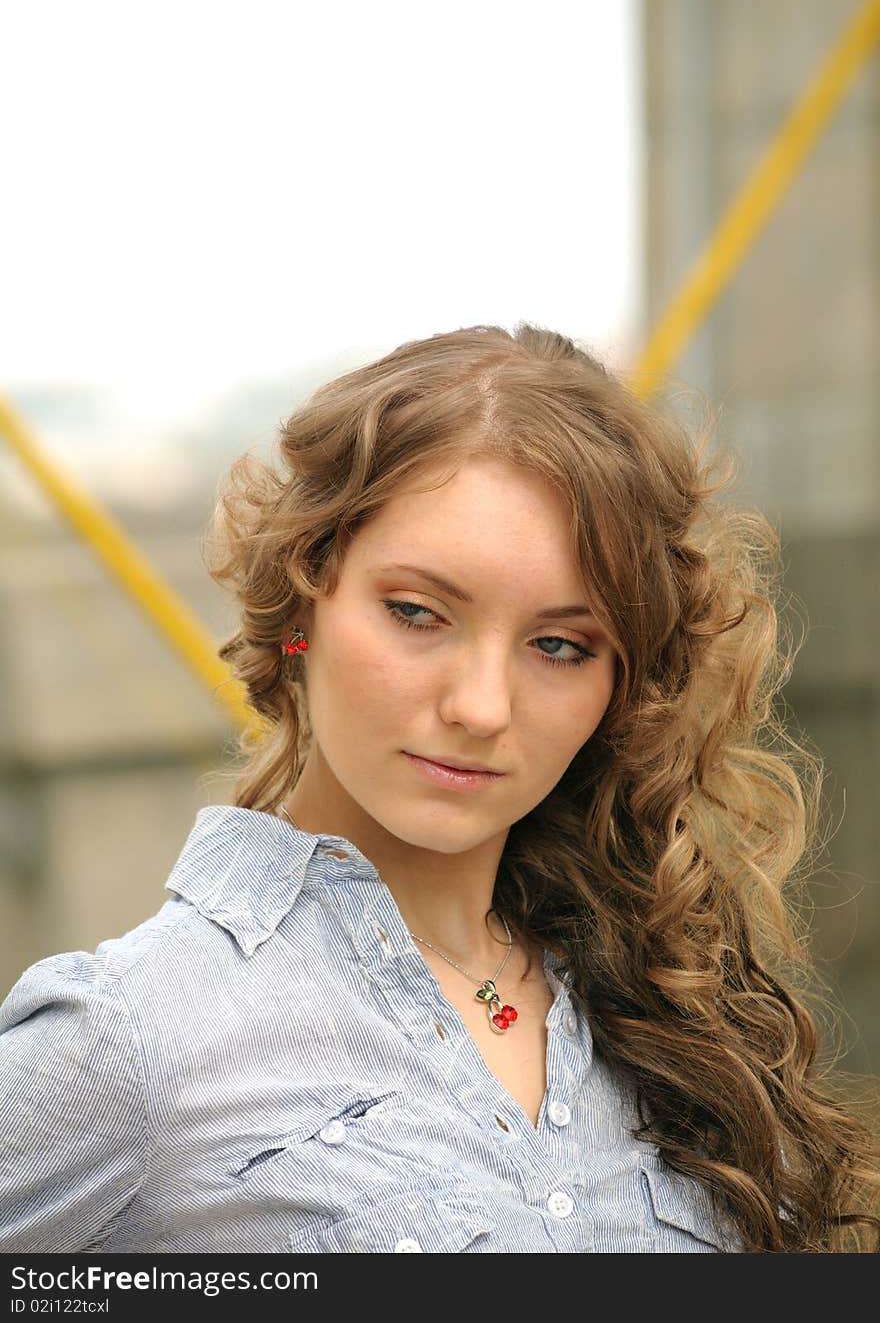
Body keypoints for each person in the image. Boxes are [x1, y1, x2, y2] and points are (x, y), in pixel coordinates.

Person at [1, 322, 877, 1254]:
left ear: (617, 683)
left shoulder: (676, 1002)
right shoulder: (138, 1035)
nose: (481, 706)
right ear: (303, 604)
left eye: (559, 645)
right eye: (418, 613)